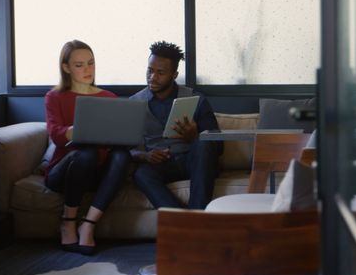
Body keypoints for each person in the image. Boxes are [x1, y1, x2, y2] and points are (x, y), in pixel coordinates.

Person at [44, 40, 131, 255]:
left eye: (91, 63)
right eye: (79, 65)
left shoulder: (108, 97)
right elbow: (56, 135)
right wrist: (78, 129)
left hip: (97, 172)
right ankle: (68, 221)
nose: (87, 70)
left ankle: (88, 224)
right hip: (62, 173)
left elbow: (115, 142)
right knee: (86, 153)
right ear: (66, 67)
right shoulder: (54, 97)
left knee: (122, 155)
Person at [130, 41, 223, 209]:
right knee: (141, 173)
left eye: (160, 73)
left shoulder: (196, 99)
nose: (152, 77)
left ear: (174, 74)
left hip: (192, 161)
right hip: (161, 166)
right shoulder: (134, 103)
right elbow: (126, 149)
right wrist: (145, 156)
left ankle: (197, 214)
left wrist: (195, 137)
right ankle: (179, 218)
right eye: (150, 70)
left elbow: (218, 145)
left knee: (203, 145)